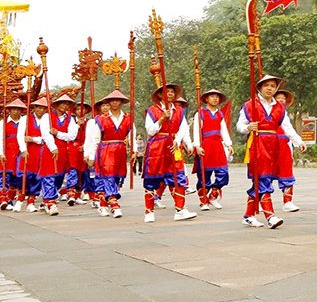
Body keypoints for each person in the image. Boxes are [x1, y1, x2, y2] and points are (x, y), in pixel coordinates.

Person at [236, 75, 302, 228]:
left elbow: (287, 127)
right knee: (263, 180)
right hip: (257, 145)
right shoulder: (250, 105)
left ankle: (248, 215)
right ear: (259, 87)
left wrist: (299, 141)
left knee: (261, 182)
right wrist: (248, 128)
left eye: (273, 86)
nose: (270, 88)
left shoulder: (279, 107)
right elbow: (240, 125)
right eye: (266, 85)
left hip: (273, 146)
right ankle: (270, 216)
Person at [143, 82, 197, 222]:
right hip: (157, 147)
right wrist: (161, 119)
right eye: (167, 92)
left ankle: (180, 210)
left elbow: (183, 128)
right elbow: (150, 130)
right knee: (152, 179)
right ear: (160, 95)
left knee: (178, 177)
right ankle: (149, 211)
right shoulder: (152, 110)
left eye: (173, 92)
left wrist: (178, 141)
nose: (171, 94)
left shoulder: (179, 110)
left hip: (173, 146)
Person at [84, 90, 133, 217]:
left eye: (117, 100)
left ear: (122, 102)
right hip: (105, 150)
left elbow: (132, 135)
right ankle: (114, 204)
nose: (115, 102)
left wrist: (134, 151)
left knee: (117, 177)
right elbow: (95, 140)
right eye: (112, 100)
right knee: (108, 176)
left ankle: (103, 204)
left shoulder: (128, 118)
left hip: (120, 150)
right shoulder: (100, 120)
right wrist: (91, 156)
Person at [36, 94, 79, 216]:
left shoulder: (70, 118)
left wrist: (58, 133)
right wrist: (53, 147)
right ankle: (50, 201)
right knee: (49, 174)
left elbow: (72, 135)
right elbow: (45, 133)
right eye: (63, 103)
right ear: (57, 104)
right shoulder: (47, 116)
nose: (65, 105)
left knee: (59, 176)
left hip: (63, 150)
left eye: (67, 104)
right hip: (49, 149)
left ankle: (47, 200)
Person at [193, 88, 232, 211]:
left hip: (217, 145)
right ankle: (203, 200)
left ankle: (213, 196)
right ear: (206, 99)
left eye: (217, 97)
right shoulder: (200, 113)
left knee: (223, 173)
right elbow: (196, 130)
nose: (215, 98)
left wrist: (228, 144)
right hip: (205, 144)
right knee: (204, 175)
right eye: (212, 96)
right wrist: (197, 145)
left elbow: (223, 130)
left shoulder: (220, 114)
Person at [17, 97, 52, 212]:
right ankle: (20, 198)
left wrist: (33, 139)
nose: (41, 110)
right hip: (28, 150)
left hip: (42, 151)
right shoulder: (25, 119)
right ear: (34, 108)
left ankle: (31, 201)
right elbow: (20, 135)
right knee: (24, 175)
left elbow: (47, 138)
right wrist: (23, 149)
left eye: (44, 108)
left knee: (37, 177)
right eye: (39, 108)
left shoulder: (48, 121)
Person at [273, 87, 306, 211]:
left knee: (286, 172)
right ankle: (262, 201)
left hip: (283, 145)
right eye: (278, 98)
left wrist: (298, 142)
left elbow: (288, 129)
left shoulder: (283, 113)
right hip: (268, 144)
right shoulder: (264, 110)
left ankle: (287, 201)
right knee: (265, 174)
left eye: (283, 98)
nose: (281, 100)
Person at [63, 99, 92, 207]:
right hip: (73, 147)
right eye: (78, 108)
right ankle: (70, 194)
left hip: (85, 148)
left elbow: (92, 136)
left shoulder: (90, 122)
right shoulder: (70, 121)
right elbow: (69, 135)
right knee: (73, 170)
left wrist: (85, 146)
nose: (81, 110)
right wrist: (77, 125)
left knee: (83, 172)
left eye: (83, 108)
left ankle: (78, 195)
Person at [1, 98, 24, 211]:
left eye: (18, 109)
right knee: (4, 177)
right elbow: (0, 139)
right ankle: (3, 199)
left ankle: (9, 199)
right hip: (7, 153)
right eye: (13, 109)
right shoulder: (3, 123)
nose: (15, 111)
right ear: (9, 110)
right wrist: (1, 153)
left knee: (17, 178)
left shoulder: (24, 123)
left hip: (20, 153)